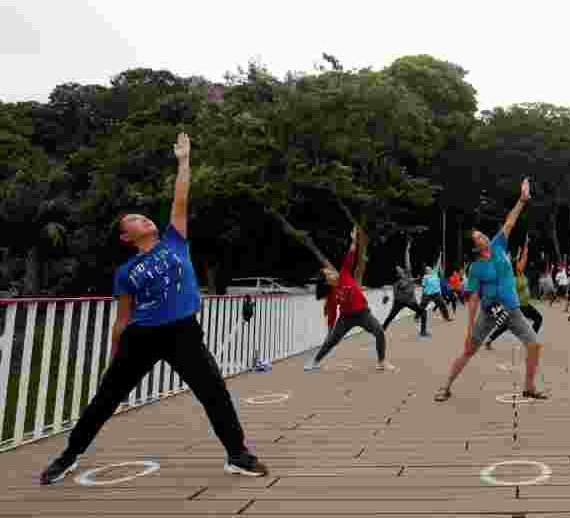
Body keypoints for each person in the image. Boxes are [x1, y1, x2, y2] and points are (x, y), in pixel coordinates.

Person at [39, 132, 267, 485]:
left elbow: (181, 195)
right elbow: (123, 318)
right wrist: (116, 351)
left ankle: (237, 455)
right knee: (107, 397)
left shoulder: (175, 241)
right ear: (126, 237)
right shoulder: (125, 272)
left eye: (146, 217)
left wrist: (184, 161)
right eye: (135, 220)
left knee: (213, 392)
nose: (144, 220)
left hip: (183, 333)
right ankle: (69, 456)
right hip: (141, 337)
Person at [435, 178, 548, 402]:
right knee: (469, 350)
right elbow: (474, 298)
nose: (483, 236)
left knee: (534, 344)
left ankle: (529, 386)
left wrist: (522, 200)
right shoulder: (476, 268)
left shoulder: (498, 245)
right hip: (490, 312)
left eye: (482, 234)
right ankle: (446, 386)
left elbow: (510, 221)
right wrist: (468, 329)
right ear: (476, 247)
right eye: (478, 237)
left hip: (512, 309)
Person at [305, 225, 395, 372]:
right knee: (332, 341)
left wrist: (353, 240)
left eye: (330, 271)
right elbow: (333, 311)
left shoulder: (345, 274)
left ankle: (382, 362)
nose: (332, 272)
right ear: (328, 280)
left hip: (363, 313)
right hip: (346, 318)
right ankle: (314, 361)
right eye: (329, 273)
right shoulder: (332, 292)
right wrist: (330, 330)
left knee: (379, 332)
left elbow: (351, 255)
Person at [485, 235, 543, 349]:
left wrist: (525, 246)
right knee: (537, 319)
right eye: (519, 262)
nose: (522, 263)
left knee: (506, 325)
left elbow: (524, 257)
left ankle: (489, 340)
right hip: (520, 305)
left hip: (521, 305)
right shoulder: (512, 278)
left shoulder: (519, 273)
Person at [380, 233, 427, 336]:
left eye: (400, 268)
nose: (400, 268)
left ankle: (423, 331)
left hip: (410, 302)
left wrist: (407, 248)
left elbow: (407, 260)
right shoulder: (397, 282)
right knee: (390, 317)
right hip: (399, 302)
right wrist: (415, 280)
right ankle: (381, 331)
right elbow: (405, 285)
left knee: (424, 312)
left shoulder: (407, 273)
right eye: (399, 269)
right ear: (398, 273)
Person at [421, 253, 451, 327]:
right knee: (422, 306)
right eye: (427, 269)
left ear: (431, 269)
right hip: (428, 294)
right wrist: (423, 294)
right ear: (426, 271)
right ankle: (417, 316)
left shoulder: (435, 273)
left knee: (442, 305)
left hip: (436, 294)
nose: (428, 270)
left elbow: (437, 264)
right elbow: (423, 286)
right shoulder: (425, 277)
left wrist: (440, 256)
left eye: (429, 269)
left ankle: (446, 317)